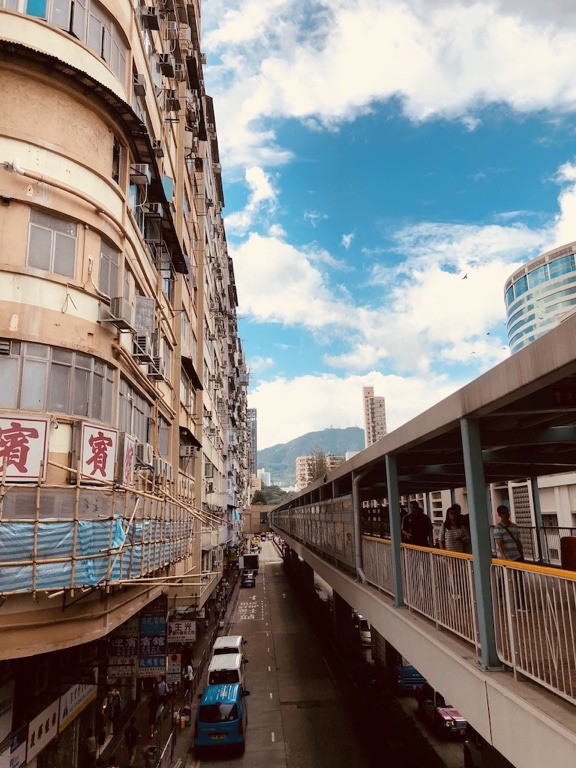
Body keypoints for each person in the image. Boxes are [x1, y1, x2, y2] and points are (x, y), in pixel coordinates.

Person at [493, 505, 528, 610]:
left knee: (519, 581)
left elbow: (518, 541)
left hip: (516, 556)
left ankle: (520, 603)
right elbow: (499, 544)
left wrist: (522, 555)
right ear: (499, 515)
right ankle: (498, 601)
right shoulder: (497, 528)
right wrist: (504, 558)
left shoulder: (514, 526)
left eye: (507, 512)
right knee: (503, 581)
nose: (505, 514)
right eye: (503, 512)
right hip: (505, 559)